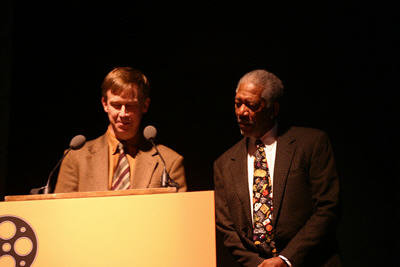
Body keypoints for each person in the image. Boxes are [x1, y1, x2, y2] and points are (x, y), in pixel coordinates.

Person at [213, 69, 341, 267]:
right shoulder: (224, 164)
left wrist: (285, 260)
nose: (241, 112)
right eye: (238, 103)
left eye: (251, 105)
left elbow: (327, 208)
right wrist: (257, 264)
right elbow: (226, 227)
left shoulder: (311, 144)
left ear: (273, 109)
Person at [55, 66, 187, 193]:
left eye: (130, 106)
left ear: (145, 105)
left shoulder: (169, 162)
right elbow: (62, 211)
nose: (123, 114)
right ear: (105, 104)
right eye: (116, 105)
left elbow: (177, 213)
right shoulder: (75, 158)